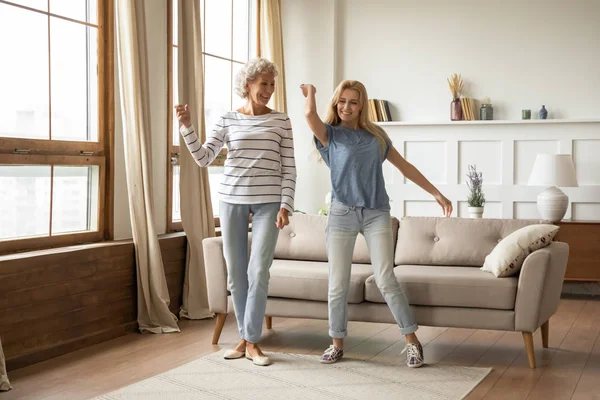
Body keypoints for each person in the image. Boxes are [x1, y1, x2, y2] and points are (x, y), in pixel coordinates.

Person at [300, 80, 452, 368]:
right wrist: (311, 93)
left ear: (362, 105)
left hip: (376, 213)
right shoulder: (329, 135)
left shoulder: (376, 137)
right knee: (337, 284)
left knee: (385, 279)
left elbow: (405, 166)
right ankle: (337, 344)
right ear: (336, 104)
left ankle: (412, 342)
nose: (346, 107)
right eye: (342, 101)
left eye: (353, 102)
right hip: (342, 214)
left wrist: (436, 192)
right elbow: (309, 115)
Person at [176, 58, 296, 366]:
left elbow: (289, 168)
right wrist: (186, 127)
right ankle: (246, 339)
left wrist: (286, 205)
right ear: (247, 85)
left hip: (269, 202)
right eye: (263, 84)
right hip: (232, 199)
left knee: (259, 270)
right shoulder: (228, 119)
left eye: (272, 84)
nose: (268, 90)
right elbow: (204, 158)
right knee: (236, 274)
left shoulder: (281, 120)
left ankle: (251, 341)